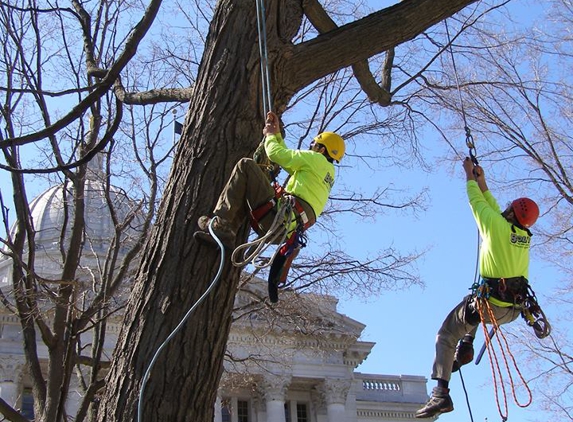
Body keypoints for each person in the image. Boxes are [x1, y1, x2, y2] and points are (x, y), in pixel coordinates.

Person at [415, 157, 540, 419]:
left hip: (490, 307)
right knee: (468, 304)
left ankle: (440, 394)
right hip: (512, 310)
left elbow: (476, 201)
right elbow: (492, 206)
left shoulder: (495, 226)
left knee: (446, 334)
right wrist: (481, 179)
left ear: (510, 212)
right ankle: (467, 346)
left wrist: (469, 177)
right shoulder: (523, 237)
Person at [194, 111, 344, 250]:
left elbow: (275, 154)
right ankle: (228, 234)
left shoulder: (315, 158)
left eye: (313, 145)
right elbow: (288, 161)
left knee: (245, 166)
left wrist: (270, 135)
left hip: (275, 218)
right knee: (248, 188)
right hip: (283, 232)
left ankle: (221, 224)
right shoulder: (328, 173)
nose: (310, 148)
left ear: (322, 149)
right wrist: (277, 135)